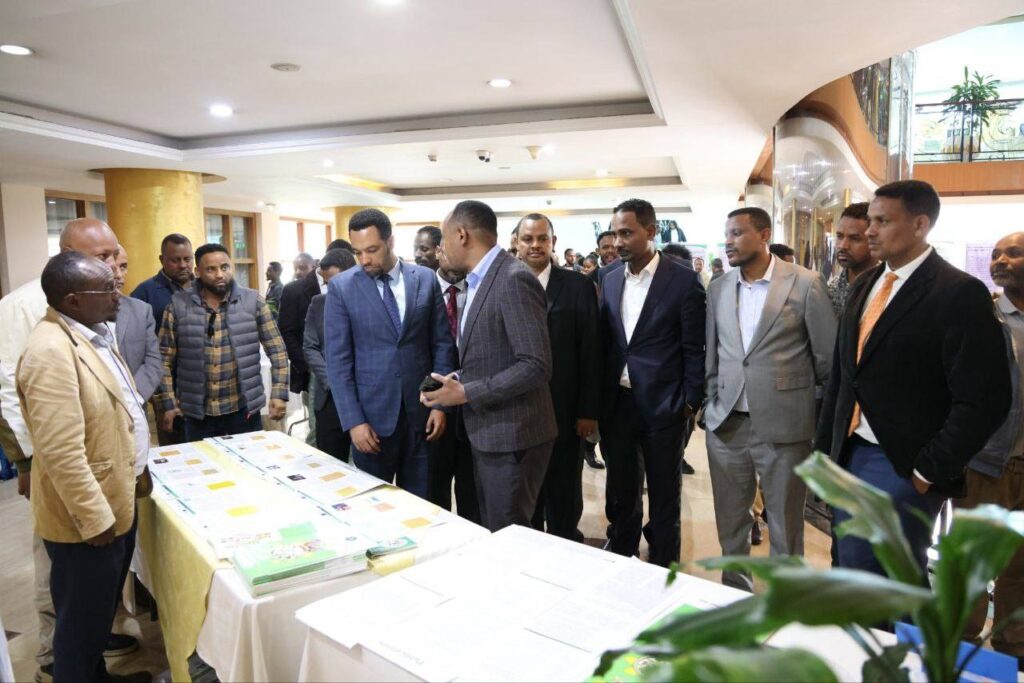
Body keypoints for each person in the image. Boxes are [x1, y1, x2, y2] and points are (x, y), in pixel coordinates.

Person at [815, 180, 1011, 579]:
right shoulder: (866, 284)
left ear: (920, 225)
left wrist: (927, 471)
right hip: (851, 452)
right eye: (870, 220)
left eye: (882, 221)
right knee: (854, 567)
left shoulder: (959, 292)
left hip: (903, 464)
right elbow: (844, 376)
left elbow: (985, 399)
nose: (870, 231)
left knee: (891, 575)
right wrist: (826, 452)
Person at [0, 218, 140, 680]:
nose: (118, 291)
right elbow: (60, 452)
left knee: (93, 620)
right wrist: (95, 519)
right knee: (78, 631)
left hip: (112, 498)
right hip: (86, 520)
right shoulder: (49, 351)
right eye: (107, 286)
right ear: (74, 299)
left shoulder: (89, 331)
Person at [704, 207, 837, 590]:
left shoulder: (805, 283)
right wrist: (711, 403)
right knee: (731, 519)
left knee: (784, 521)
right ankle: (735, 590)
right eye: (726, 234)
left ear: (764, 235)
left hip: (785, 428)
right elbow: (714, 354)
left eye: (737, 233)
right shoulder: (719, 287)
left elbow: (827, 360)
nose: (728, 241)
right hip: (727, 424)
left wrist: (806, 413)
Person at [422, 200, 557, 532]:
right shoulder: (479, 279)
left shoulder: (512, 278)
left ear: (462, 235)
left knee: (509, 533)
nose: (441, 248)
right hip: (491, 432)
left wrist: (467, 392)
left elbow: (536, 364)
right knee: (494, 528)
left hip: (514, 435)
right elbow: (493, 353)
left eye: (443, 238)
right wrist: (455, 381)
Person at [598, 199, 705, 567]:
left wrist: (689, 402)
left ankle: (663, 561)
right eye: (615, 234)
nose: (618, 242)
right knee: (622, 488)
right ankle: (622, 548)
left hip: (664, 404)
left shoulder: (683, 281)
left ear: (651, 231)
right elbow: (608, 342)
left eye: (626, 233)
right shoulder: (609, 278)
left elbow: (694, 347)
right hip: (618, 403)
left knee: (664, 492)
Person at [324, 209, 454, 498]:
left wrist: (439, 404)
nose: (364, 260)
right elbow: (338, 362)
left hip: (422, 417)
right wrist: (354, 421)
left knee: (422, 503)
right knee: (373, 505)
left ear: (390, 242)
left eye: (372, 250)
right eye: (358, 252)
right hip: (370, 421)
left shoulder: (425, 279)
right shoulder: (342, 288)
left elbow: (442, 345)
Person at [950, 232, 1024, 664]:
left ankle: (1015, 645)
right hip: (985, 462)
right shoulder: (984, 319)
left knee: (1020, 566)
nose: (1000, 260)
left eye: (1013, 253)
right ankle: (961, 645)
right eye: (996, 254)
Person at [516, 214, 601, 540]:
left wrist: (587, 410)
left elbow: (591, 350)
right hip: (519, 409)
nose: (535, 245)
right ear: (517, 242)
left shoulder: (578, 285)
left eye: (542, 238)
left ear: (553, 242)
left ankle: (566, 543)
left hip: (565, 407)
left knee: (564, 488)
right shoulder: (504, 283)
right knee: (526, 492)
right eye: (528, 239)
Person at [156, 243, 289, 441]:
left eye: (224, 267)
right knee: (202, 461)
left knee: (247, 460)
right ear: (197, 272)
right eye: (211, 269)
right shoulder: (178, 305)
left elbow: (277, 350)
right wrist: (168, 402)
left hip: (243, 409)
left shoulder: (253, 301)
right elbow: (163, 359)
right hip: (197, 414)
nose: (220, 274)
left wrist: (279, 393)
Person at [418, 236, 480, 523]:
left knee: (472, 492)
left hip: (476, 402)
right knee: (434, 488)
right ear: (438, 252)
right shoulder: (420, 290)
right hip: (432, 404)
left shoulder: (481, 287)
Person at [278, 239, 352, 444]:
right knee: (319, 438)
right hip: (320, 380)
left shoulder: (367, 301)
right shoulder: (315, 300)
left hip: (360, 385)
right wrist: (312, 369)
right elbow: (299, 340)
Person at [302, 249, 357, 461]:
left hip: (364, 393)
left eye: (334, 282)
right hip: (329, 397)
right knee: (331, 463)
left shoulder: (370, 303)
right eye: (327, 284)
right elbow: (310, 347)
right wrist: (335, 381)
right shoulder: (318, 303)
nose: (330, 289)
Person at [113, 246, 164, 404]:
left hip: (135, 405)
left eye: (123, 267)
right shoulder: (73, 314)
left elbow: (153, 361)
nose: (118, 275)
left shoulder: (141, 310)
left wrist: (132, 398)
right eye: (111, 267)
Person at [130, 233, 194, 324]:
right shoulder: (144, 292)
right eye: (175, 260)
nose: (182, 265)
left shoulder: (204, 287)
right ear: (162, 259)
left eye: (187, 259)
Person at [827, 202, 877, 317]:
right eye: (839, 236)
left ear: (873, 239)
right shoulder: (830, 290)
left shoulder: (884, 288)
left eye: (855, 238)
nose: (843, 246)